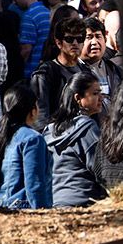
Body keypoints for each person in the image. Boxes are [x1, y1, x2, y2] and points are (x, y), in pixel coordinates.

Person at [0, 85, 52, 209]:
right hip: (23, 209)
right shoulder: (33, 138)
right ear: (33, 110)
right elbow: (35, 185)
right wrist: (43, 213)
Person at [44, 72, 107, 208]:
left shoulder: (50, 129)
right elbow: (100, 168)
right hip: (84, 202)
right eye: (95, 93)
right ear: (78, 98)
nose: (101, 97)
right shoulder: (86, 127)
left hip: (55, 201)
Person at [30, 17, 89, 130]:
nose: (75, 43)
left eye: (80, 39)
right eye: (69, 39)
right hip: (56, 137)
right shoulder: (45, 73)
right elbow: (40, 117)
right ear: (59, 43)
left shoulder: (85, 71)